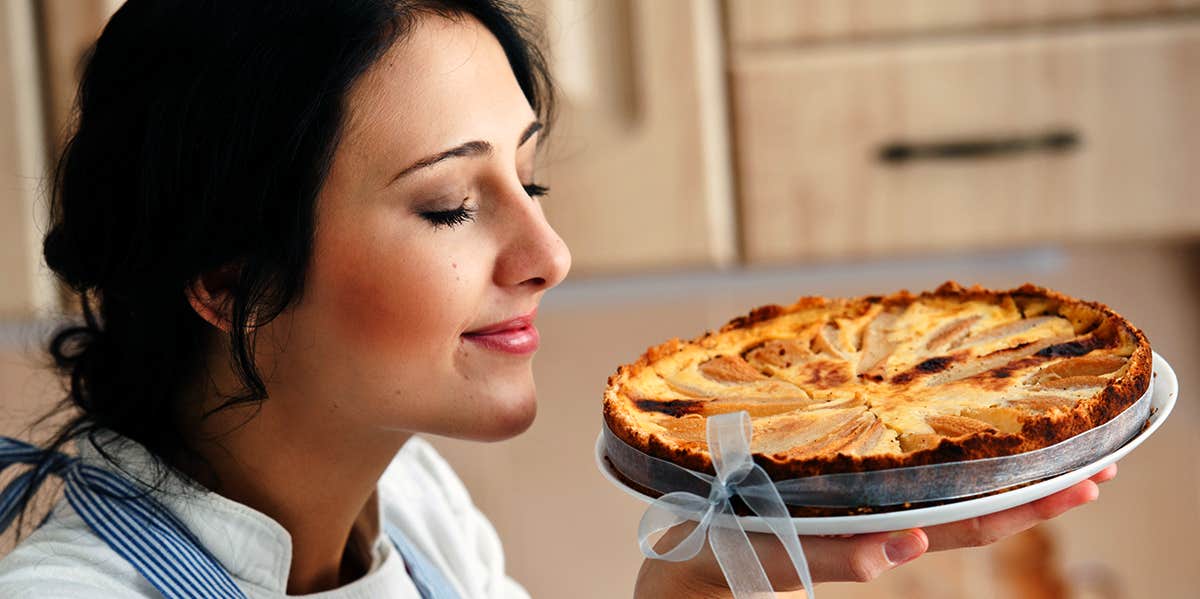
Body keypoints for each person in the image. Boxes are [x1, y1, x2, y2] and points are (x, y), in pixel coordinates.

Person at [0, 1, 1115, 597]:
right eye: (449, 204)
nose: (548, 250)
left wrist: (696, 585)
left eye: (525, 179)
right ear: (231, 281)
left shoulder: (418, 509)